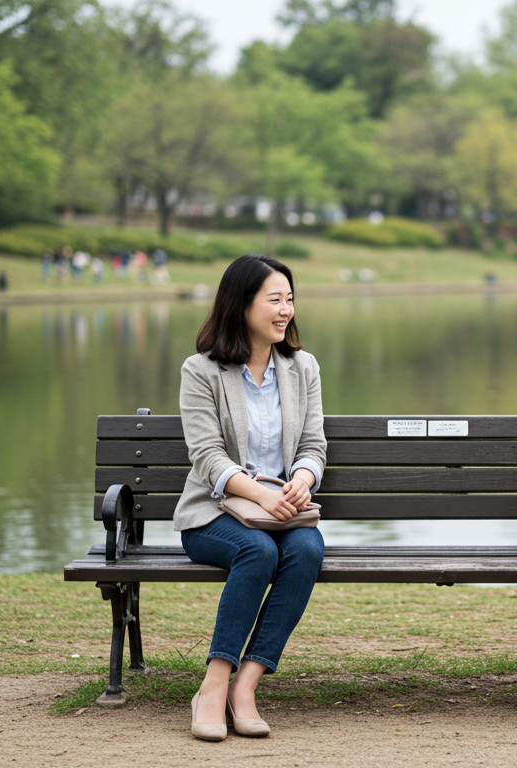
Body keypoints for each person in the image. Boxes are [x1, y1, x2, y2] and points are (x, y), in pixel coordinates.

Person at [176, 254, 326, 742]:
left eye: (290, 299)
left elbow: (313, 444)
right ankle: (213, 685)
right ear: (241, 305)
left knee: (307, 550)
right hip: (214, 514)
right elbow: (206, 455)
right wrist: (260, 495)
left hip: (284, 511)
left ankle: (246, 686)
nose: (286, 310)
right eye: (274, 300)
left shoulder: (302, 367)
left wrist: (302, 477)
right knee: (256, 551)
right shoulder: (201, 370)